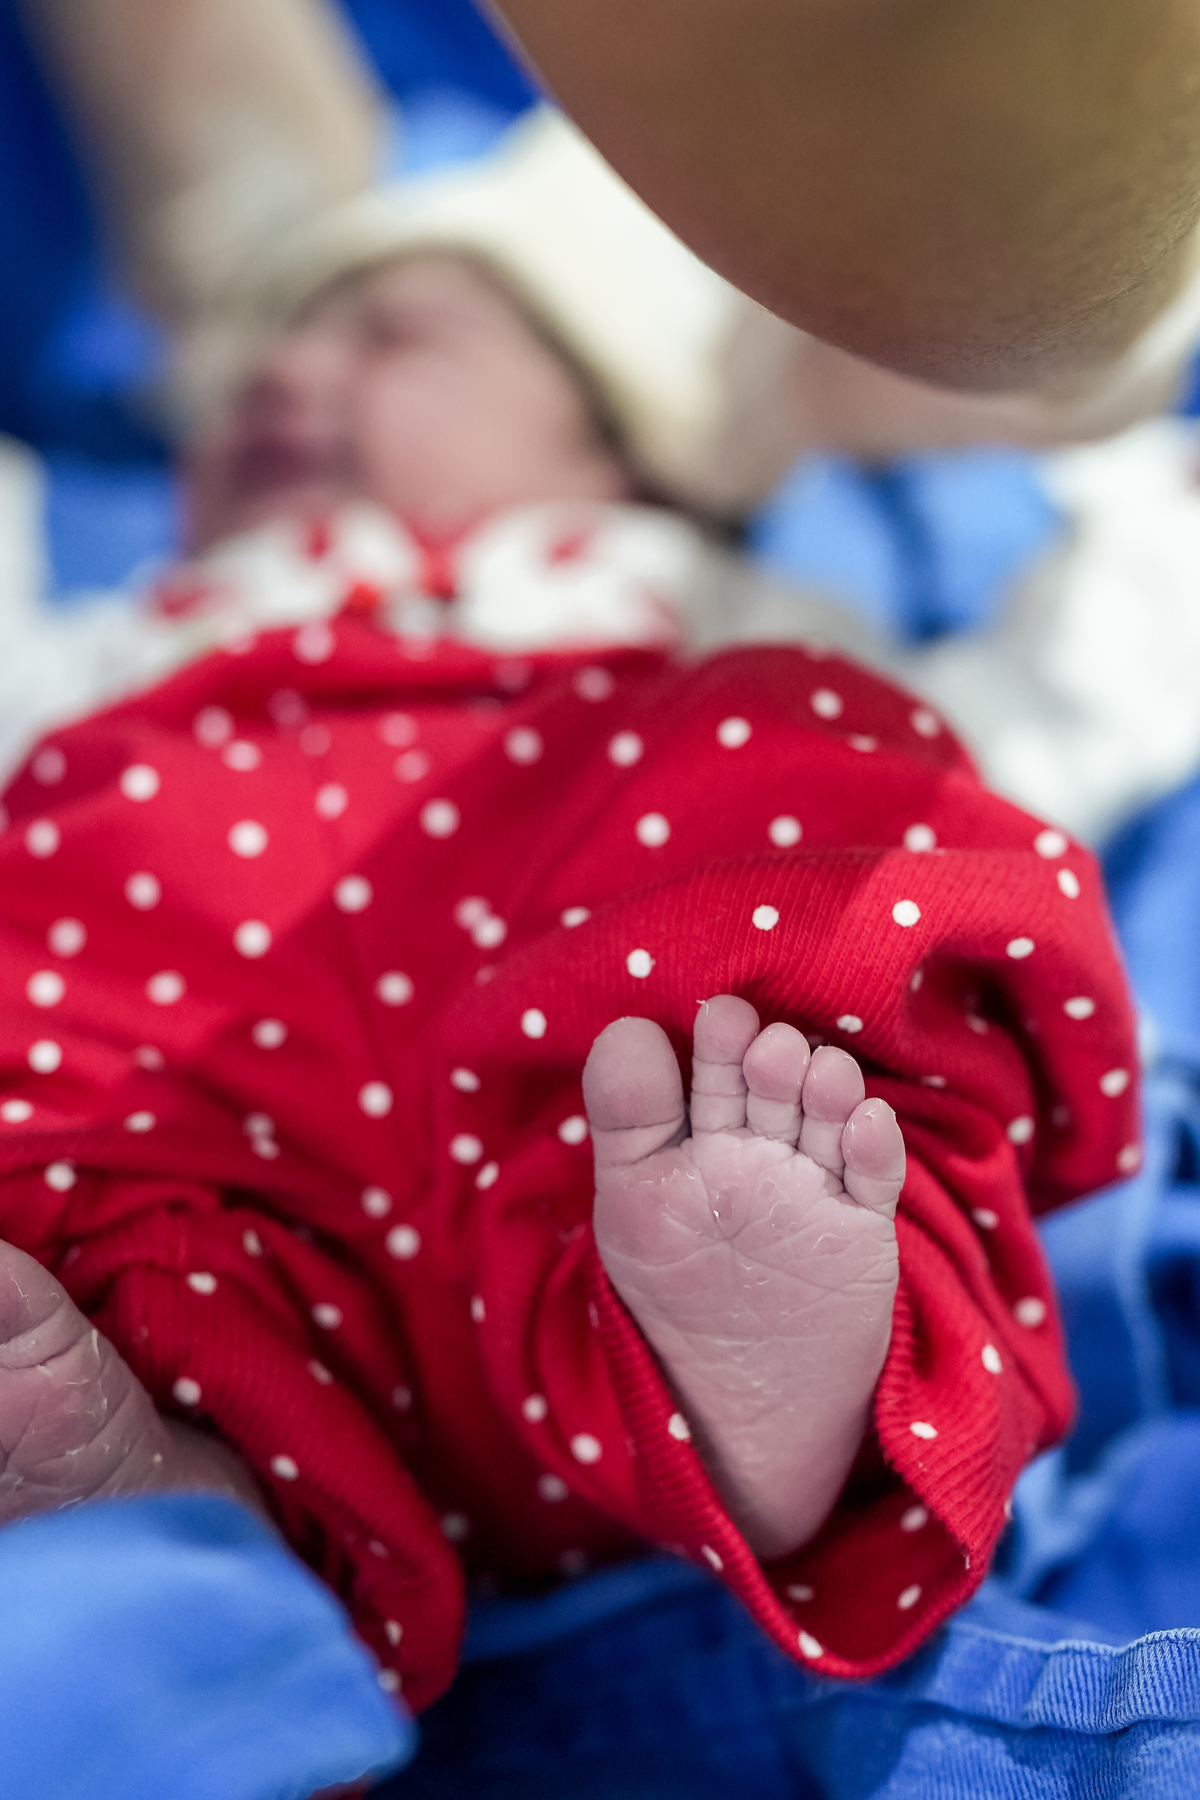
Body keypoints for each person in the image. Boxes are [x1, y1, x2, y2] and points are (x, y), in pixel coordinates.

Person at [0, 177, 1140, 1714]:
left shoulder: (686, 595)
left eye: (390, 337)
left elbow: (1042, 714)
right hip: (186, 1101)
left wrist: (1148, 497)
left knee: (836, 807)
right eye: (256, 365)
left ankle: (759, 1382)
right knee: (43, 1040)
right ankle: (173, 1495)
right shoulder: (123, 636)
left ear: (617, 442)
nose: (286, 376)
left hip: (595, 1085)